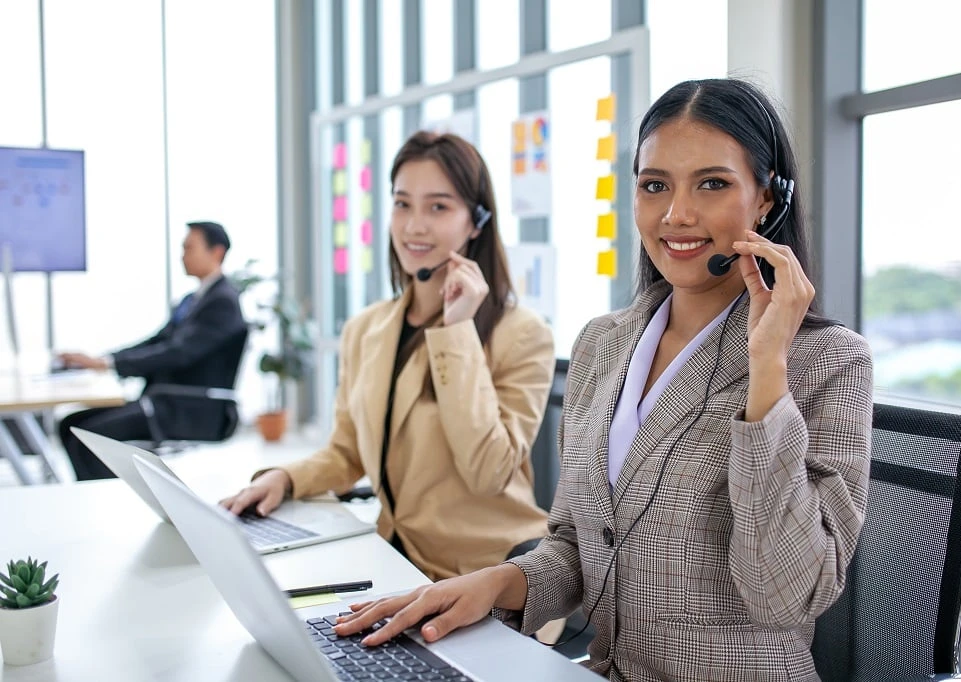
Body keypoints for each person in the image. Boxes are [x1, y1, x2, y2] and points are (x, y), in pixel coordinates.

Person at [332, 79, 874, 681]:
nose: (676, 214)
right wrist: (498, 583)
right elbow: (578, 544)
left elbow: (785, 596)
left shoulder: (828, 361)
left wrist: (767, 372)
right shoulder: (603, 343)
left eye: (712, 184)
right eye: (654, 186)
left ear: (768, 199)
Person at [221, 131, 554, 584]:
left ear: (476, 222)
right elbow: (346, 453)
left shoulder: (521, 334)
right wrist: (284, 477)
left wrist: (457, 329)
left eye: (438, 207)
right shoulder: (366, 329)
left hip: (485, 578)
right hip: (394, 565)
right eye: (402, 204)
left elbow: (488, 473)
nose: (415, 226)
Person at [58, 221, 247, 481]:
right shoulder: (193, 300)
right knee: (70, 425)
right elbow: (157, 342)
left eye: (189, 248)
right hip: (165, 399)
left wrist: (110, 365)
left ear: (217, 252)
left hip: (190, 408)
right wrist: (105, 361)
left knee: (88, 440)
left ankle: (103, 499)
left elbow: (178, 353)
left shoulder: (222, 302)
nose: (182, 255)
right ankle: (90, 494)